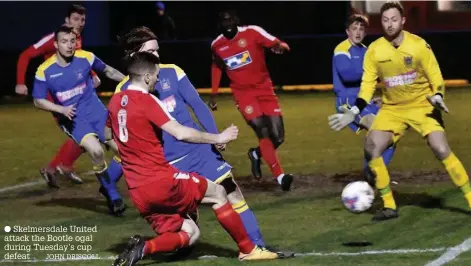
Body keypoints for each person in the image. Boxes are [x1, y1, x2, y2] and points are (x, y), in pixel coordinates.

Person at [114, 27, 294, 257]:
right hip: (166, 164)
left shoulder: (173, 72)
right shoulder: (126, 92)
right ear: (135, 55)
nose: (158, 56)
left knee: (231, 190)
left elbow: (197, 105)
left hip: (198, 152)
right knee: (188, 221)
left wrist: (214, 136)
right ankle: (179, 245)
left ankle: (256, 246)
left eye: (158, 50)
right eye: (151, 51)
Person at [328, 1, 471, 221]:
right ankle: (389, 205)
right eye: (385, 20)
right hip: (392, 109)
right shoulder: (375, 50)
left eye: (394, 19)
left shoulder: (418, 45)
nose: (390, 24)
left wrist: (439, 96)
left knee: (440, 148)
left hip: (422, 105)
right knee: (372, 146)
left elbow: (436, 77)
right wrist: (354, 110)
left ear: (403, 21)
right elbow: (367, 85)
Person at [32, 25, 127, 216]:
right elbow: (37, 100)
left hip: (97, 112)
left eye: (72, 41)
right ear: (56, 44)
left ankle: (107, 183)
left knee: (127, 151)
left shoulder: (86, 57)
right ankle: (112, 194)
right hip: (73, 119)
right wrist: (60, 109)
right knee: (96, 151)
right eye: (64, 42)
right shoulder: (45, 70)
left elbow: (108, 71)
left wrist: (129, 82)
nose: (69, 45)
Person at [15, 4, 98, 186]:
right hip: (57, 97)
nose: (80, 23)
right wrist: (20, 82)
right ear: (67, 20)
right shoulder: (52, 38)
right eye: (76, 19)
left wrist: (92, 75)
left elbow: (78, 61)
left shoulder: (76, 38)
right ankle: (62, 166)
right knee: (86, 130)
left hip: (73, 94)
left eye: (83, 19)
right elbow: (25, 55)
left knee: (90, 129)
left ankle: (57, 168)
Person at [210, 10, 293, 191]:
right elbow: (217, 66)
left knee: (278, 136)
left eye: (230, 22)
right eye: (224, 23)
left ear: (236, 22)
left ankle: (256, 153)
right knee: (261, 128)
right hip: (243, 94)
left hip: (264, 89)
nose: (228, 26)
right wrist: (214, 94)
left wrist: (282, 46)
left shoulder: (252, 32)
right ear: (220, 26)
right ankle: (280, 176)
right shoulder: (217, 45)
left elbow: (274, 42)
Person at [332, 13, 396, 187]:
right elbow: (348, 74)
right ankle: (372, 174)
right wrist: (372, 70)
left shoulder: (366, 50)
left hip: (364, 100)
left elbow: (373, 79)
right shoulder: (341, 50)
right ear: (347, 31)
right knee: (378, 129)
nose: (358, 32)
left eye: (361, 29)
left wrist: (379, 96)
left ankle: (373, 173)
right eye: (354, 29)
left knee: (392, 135)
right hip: (348, 102)